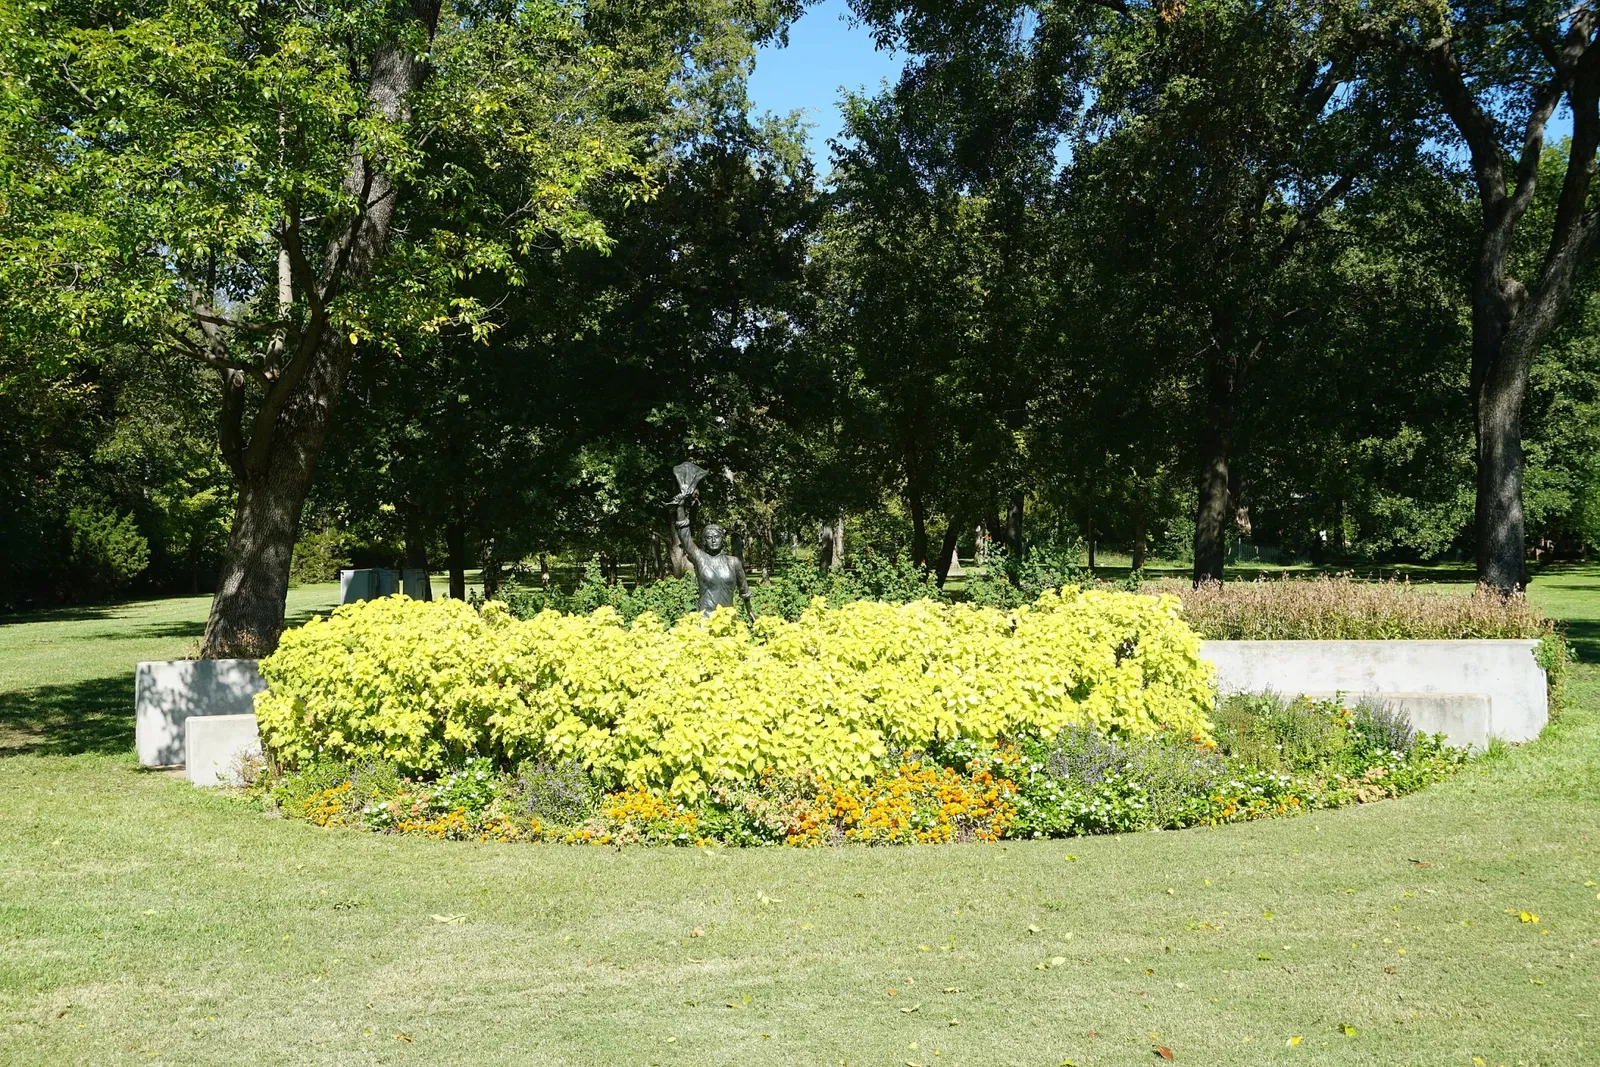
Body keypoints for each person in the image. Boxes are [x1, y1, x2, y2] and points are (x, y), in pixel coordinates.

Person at [674, 501, 754, 620]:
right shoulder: (700, 558)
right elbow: (685, 537)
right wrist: (680, 506)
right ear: (704, 541)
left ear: (722, 539)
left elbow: (744, 591)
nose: (713, 540)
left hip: (728, 619)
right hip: (705, 619)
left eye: (716, 537)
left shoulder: (733, 562)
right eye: (709, 538)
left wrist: (750, 611)